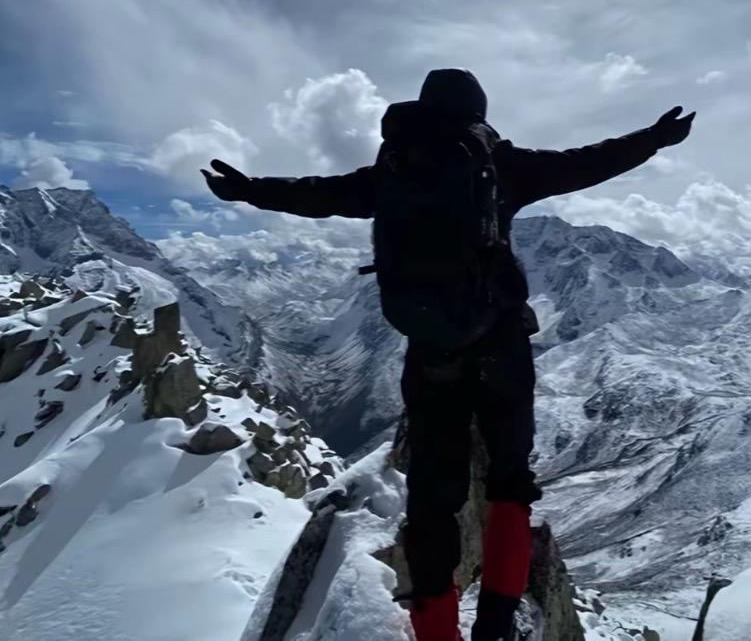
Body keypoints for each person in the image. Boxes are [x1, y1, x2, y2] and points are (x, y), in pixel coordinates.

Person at [203, 68, 695, 641]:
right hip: (501, 346)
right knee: (509, 484)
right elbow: (584, 162)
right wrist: (652, 138)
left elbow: (318, 194)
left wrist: (251, 188)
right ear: (478, 110)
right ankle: (495, 625)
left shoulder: (392, 171)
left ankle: (438, 631)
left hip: (430, 351)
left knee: (435, 502)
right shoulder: (499, 165)